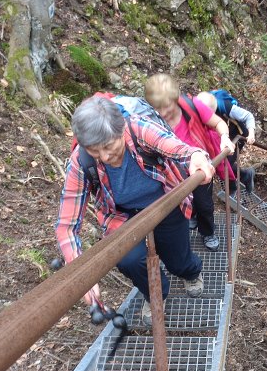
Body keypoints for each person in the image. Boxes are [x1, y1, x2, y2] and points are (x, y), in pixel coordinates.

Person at [55, 95, 214, 325]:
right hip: (123, 216)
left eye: (109, 146)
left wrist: (196, 156)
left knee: (177, 258)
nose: (105, 157)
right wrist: (80, 275)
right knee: (129, 260)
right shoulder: (81, 162)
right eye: (95, 151)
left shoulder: (138, 127)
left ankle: (190, 273)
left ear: (121, 130)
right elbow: (66, 226)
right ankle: (156, 294)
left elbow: (175, 146)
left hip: (165, 202)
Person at [144, 74, 236, 252]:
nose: (162, 113)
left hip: (200, 170)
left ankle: (208, 231)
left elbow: (218, 123)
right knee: (183, 203)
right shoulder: (149, 118)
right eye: (158, 108)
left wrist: (224, 137)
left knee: (204, 204)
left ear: (176, 98)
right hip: (172, 172)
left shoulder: (192, 106)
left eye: (167, 107)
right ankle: (192, 216)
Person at [195, 90, 256, 196]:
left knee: (226, 161)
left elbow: (248, 116)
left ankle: (240, 180)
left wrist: (251, 133)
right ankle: (238, 179)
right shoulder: (200, 103)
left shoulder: (226, 106)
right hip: (222, 133)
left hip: (237, 136)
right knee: (220, 160)